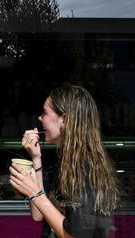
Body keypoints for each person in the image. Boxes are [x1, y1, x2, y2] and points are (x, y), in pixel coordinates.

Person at [9, 84, 120, 238]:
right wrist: (36, 159)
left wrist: (35, 193)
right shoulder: (67, 161)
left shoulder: (86, 167)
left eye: (45, 113)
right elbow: (38, 215)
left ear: (64, 119)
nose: (40, 118)